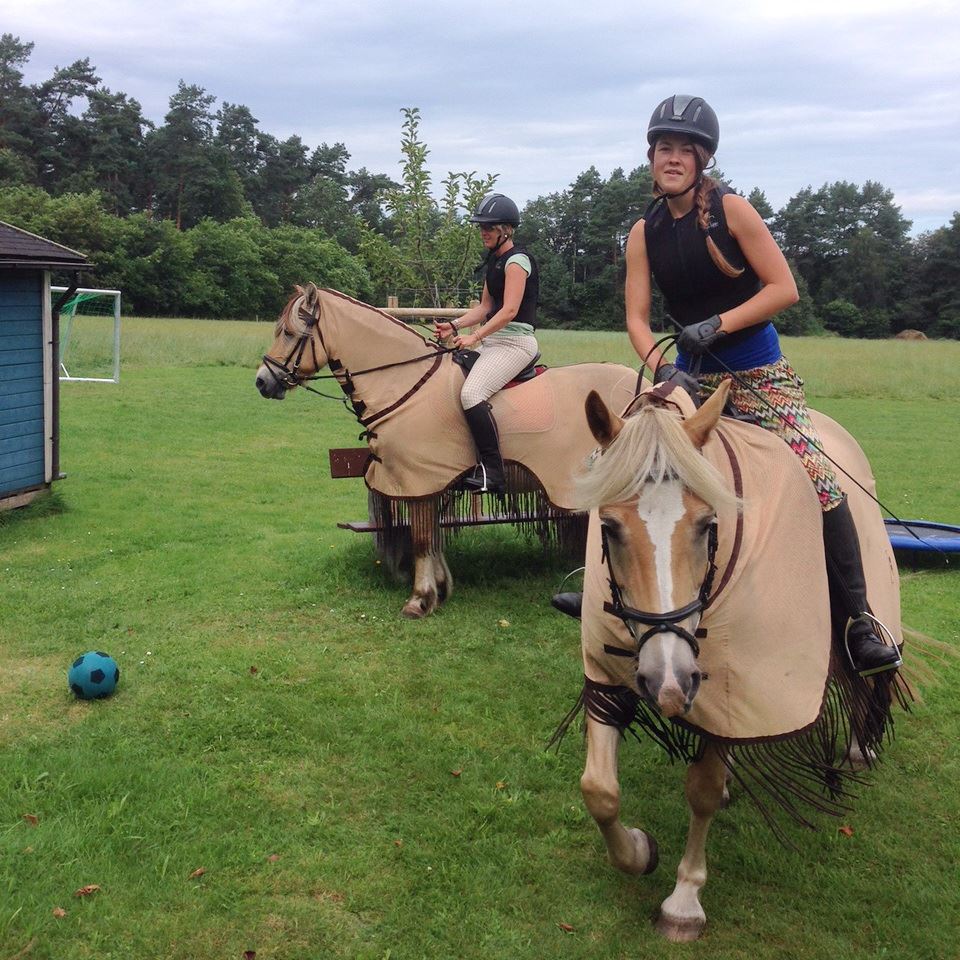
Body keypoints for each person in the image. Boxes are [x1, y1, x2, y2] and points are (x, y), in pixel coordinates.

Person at [554, 94, 900, 678]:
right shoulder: (645, 231)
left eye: (683, 151)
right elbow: (637, 318)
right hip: (689, 376)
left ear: (702, 158)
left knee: (814, 474)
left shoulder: (733, 211)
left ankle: (859, 619)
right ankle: (601, 591)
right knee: (612, 462)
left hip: (759, 374)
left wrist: (719, 323)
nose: (672, 159)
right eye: (663, 148)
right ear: (651, 157)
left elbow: (783, 289)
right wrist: (661, 369)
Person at [435, 193, 540, 494]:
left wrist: (475, 337)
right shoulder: (494, 261)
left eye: (489, 227)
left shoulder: (517, 262)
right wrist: (453, 326)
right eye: (481, 226)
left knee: (471, 394)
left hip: (516, 344)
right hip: (494, 343)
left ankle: (493, 473)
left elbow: (508, 311)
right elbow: (484, 308)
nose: (483, 232)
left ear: (506, 229)